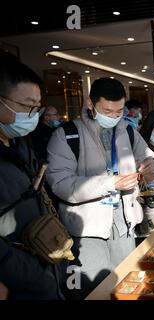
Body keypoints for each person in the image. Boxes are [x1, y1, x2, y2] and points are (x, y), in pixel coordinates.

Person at [46, 77, 154, 299]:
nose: (114, 117)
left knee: (125, 284)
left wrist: (150, 165)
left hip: (124, 222)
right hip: (87, 229)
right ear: (91, 103)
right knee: (93, 290)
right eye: (107, 111)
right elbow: (60, 184)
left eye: (119, 111)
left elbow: (150, 157)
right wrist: (111, 183)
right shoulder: (67, 134)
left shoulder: (127, 129)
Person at [0, 51, 63, 299]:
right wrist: (35, 277)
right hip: (19, 280)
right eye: (27, 106)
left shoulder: (18, 145)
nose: (33, 116)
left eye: (37, 108)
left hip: (42, 263)